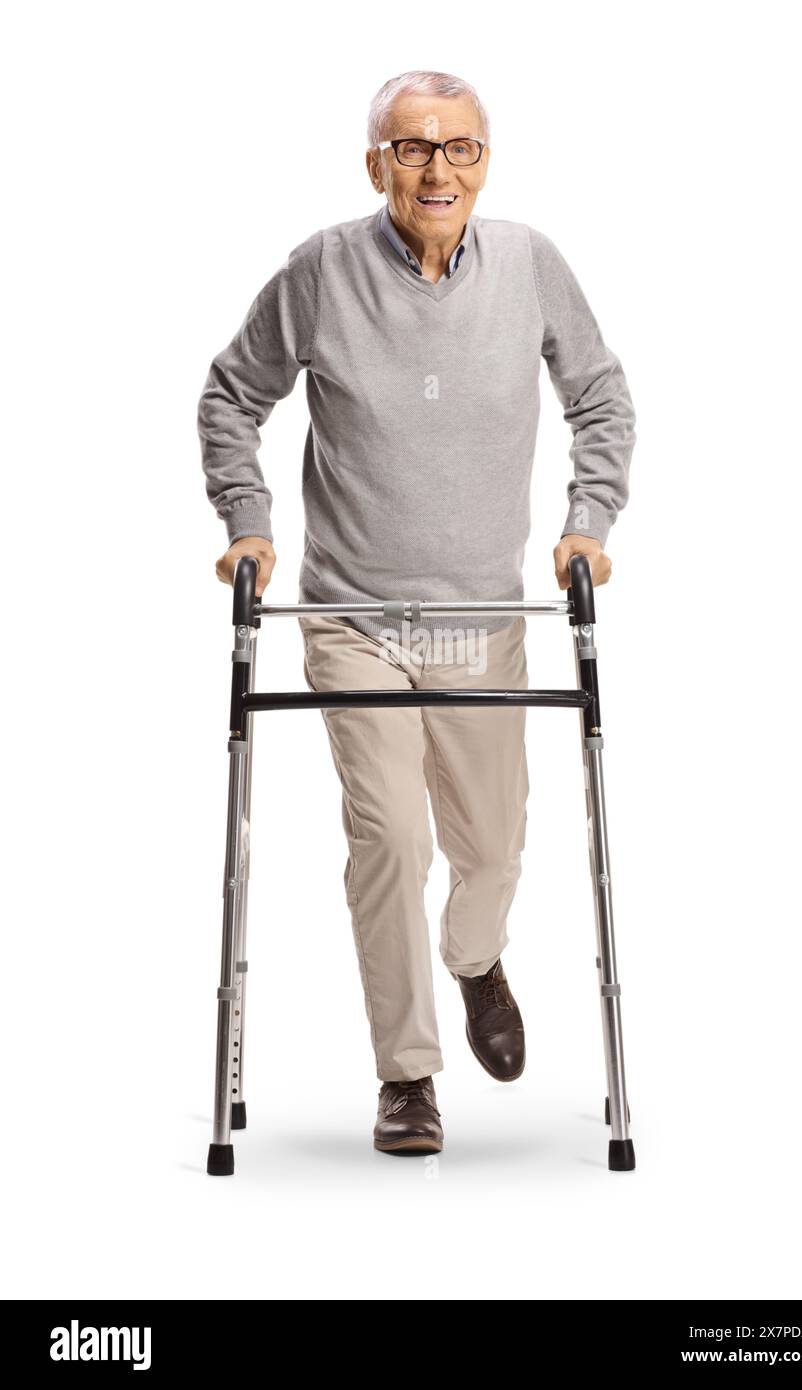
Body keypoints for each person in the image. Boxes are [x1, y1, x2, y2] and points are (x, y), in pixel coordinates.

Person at [197, 69, 636, 1157]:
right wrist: (248, 520)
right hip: (353, 615)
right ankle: (406, 1074)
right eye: (411, 149)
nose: (436, 170)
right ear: (374, 164)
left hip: (486, 616)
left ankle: (475, 957)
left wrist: (588, 522)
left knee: (489, 851)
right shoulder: (320, 271)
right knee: (388, 835)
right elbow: (230, 394)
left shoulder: (530, 264)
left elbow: (598, 395)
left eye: (459, 149)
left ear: (485, 160)